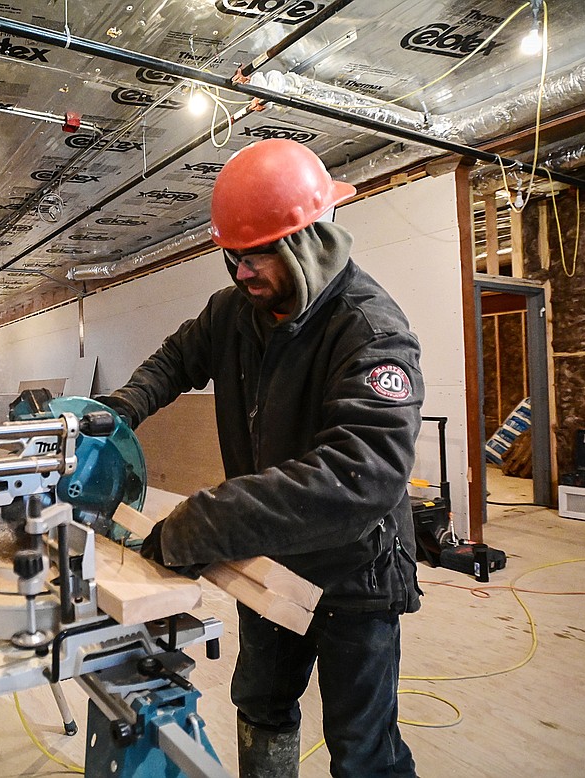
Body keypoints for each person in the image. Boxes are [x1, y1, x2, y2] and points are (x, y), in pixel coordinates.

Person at [98, 139, 424, 778]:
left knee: (361, 750)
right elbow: (173, 363)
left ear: (307, 241)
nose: (242, 274)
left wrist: (203, 521)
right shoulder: (234, 312)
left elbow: (361, 475)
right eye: (233, 258)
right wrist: (114, 413)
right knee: (262, 703)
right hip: (270, 559)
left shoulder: (370, 330)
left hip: (355, 574)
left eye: (258, 257)